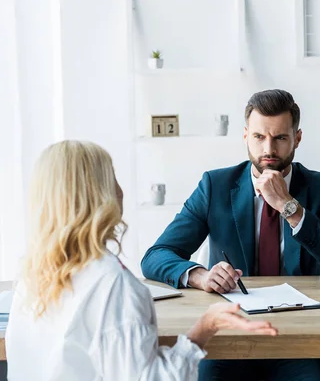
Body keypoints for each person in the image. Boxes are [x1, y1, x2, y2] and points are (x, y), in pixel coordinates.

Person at [5, 140, 277, 380]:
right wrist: (205, 327)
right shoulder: (113, 286)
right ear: (100, 196)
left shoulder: (31, 275)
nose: (121, 189)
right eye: (111, 177)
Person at [141, 89, 320, 381]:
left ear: (297, 138)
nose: (268, 149)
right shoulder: (215, 186)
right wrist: (200, 276)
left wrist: (289, 207)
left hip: (302, 338)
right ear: (246, 136)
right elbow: (155, 256)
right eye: (259, 137)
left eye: (280, 138)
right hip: (230, 337)